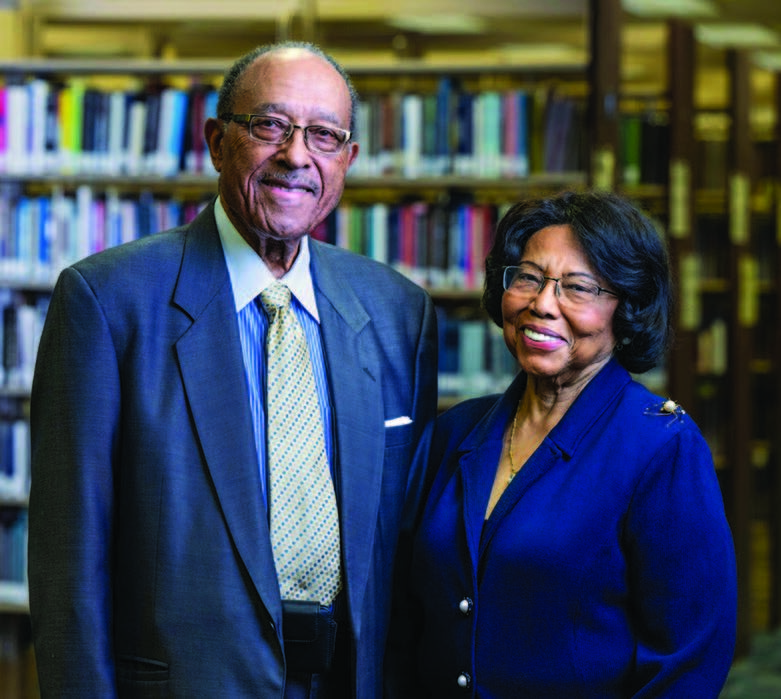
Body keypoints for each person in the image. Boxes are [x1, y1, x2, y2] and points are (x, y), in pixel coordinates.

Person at [27, 41, 438, 698]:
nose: (296, 155)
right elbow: (67, 566)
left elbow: (407, 548)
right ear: (218, 142)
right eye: (271, 125)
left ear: (347, 160)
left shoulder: (398, 313)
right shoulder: (108, 302)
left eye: (323, 136)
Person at [386, 190, 736, 697]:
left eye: (578, 287)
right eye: (527, 277)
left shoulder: (662, 448)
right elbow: (409, 620)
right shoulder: (454, 431)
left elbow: (688, 663)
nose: (541, 304)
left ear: (628, 308)